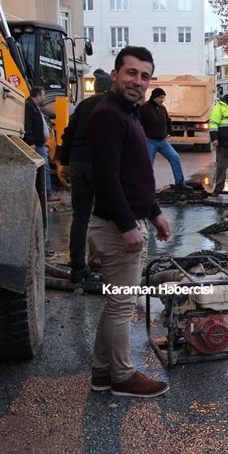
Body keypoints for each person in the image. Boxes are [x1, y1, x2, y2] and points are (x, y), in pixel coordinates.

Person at [86, 46, 171, 398]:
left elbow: (135, 174)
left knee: (115, 304)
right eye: (131, 73)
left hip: (128, 220)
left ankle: (102, 372)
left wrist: (154, 212)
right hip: (116, 226)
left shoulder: (129, 113)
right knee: (122, 306)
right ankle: (122, 377)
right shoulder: (109, 115)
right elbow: (106, 179)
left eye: (144, 76)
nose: (138, 81)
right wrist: (126, 226)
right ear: (116, 74)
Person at [59, 68, 112, 284]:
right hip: (101, 164)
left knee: (80, 216)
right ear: (109, 88)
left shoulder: (83, 105)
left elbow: (68, 134)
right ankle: (98, 262)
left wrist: (64, 163)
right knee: (103, 216)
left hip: (78, 162)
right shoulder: (112, 106)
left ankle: (77, 268)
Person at [139, 87, 185, 188]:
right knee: (148, 164)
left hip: (163, 141)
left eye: (163, 97)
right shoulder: (144, 108)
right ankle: (147, 187)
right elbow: (137, 123)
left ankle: (180, 183)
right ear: (154, 97)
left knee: (175, 157)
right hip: (150, 141)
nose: (162, 100)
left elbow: (168, 121)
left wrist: (169, 134)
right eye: (160, 97)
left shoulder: (162, 108)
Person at [24, 86, 54, 201]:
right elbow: (28, 125)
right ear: (38, 95)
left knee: (44, 168)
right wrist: (31, 142)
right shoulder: (29, 106)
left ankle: (45, 193)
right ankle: (46, 194)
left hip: (39, 143)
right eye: (43, 95)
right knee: (44, 168)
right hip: (36, 143)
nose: (44, 97)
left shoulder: (34, 106)